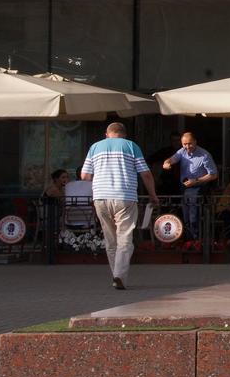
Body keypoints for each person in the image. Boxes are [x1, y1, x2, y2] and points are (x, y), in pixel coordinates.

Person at [78, 122, 157, 291]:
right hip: (125, 196)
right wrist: (153, 195)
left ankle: (116, 274)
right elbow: (145, 174)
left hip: (101, 197)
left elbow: (85, 176)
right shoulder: (131, 146)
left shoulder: (95, 147)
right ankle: (119, 275)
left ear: (107, 134)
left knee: (110, 239)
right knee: (125, 238)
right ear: (124, 134)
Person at [160, 131, 219, 238]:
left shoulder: (204, 155)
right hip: (184, 187)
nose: (187, 147)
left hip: (197, 187)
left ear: (195, 142)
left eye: (190, 143)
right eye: (184, 144)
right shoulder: (182, 151)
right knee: (185, 215)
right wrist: (166, 163)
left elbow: (213, 175)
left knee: (193, 216)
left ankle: (196, 239)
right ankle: (189, 239)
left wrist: (196, 181)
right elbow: (172, 159)